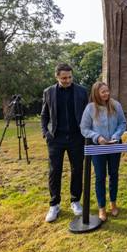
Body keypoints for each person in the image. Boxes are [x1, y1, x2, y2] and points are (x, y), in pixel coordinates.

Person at [41, 63, 88, 222]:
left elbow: (88, 114)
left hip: (77, 137)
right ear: (57, 77)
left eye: (69, 77)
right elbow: (44, 115)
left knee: (77, 170)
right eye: (63, 78)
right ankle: (54, 204)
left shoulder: (82, 91)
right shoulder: (48, 92)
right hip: (56, 139)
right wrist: (46, 133)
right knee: (55, 171)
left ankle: (75, 201)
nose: (67, 80)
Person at [80, 81, 126, 222]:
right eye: (103, 92)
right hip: (98, 148)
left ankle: (113, 203)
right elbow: (84, 128)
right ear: (96, 93)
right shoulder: (90, 108)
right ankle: (101, 207)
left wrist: (116, 136)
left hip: (114, 146)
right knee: (100, 177)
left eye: (107, 91)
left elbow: (122, 123)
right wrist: (97, 137)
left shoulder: (116, 105)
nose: (106, 94)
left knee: (114, 174)